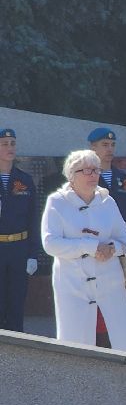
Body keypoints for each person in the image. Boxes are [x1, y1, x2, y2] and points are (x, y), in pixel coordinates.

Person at [41, 148, 126, 351]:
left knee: (120, 342)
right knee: (74, 348)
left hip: (110, 283)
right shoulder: (56, 202)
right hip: (72, 285)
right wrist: (90, 247)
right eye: (87, 171)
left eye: (96, 170)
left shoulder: (107, 201)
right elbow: (50, 243)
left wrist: (112, 248)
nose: (94, 175)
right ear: (72, 175)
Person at [0, 127, 43, 332]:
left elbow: (33, 218)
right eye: (5, 144)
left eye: (13, 143)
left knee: (17, 305)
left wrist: (33, 254)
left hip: (19, 248)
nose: (10, 148)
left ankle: (17, 356)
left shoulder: (24, 180)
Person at [87, 127, 126, 250]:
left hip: (122, 244)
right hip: (97, 244)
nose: (110, 149)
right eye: (105, 145)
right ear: (93, 148)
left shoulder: (124, 178)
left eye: (113, 145)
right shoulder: (86, 177)